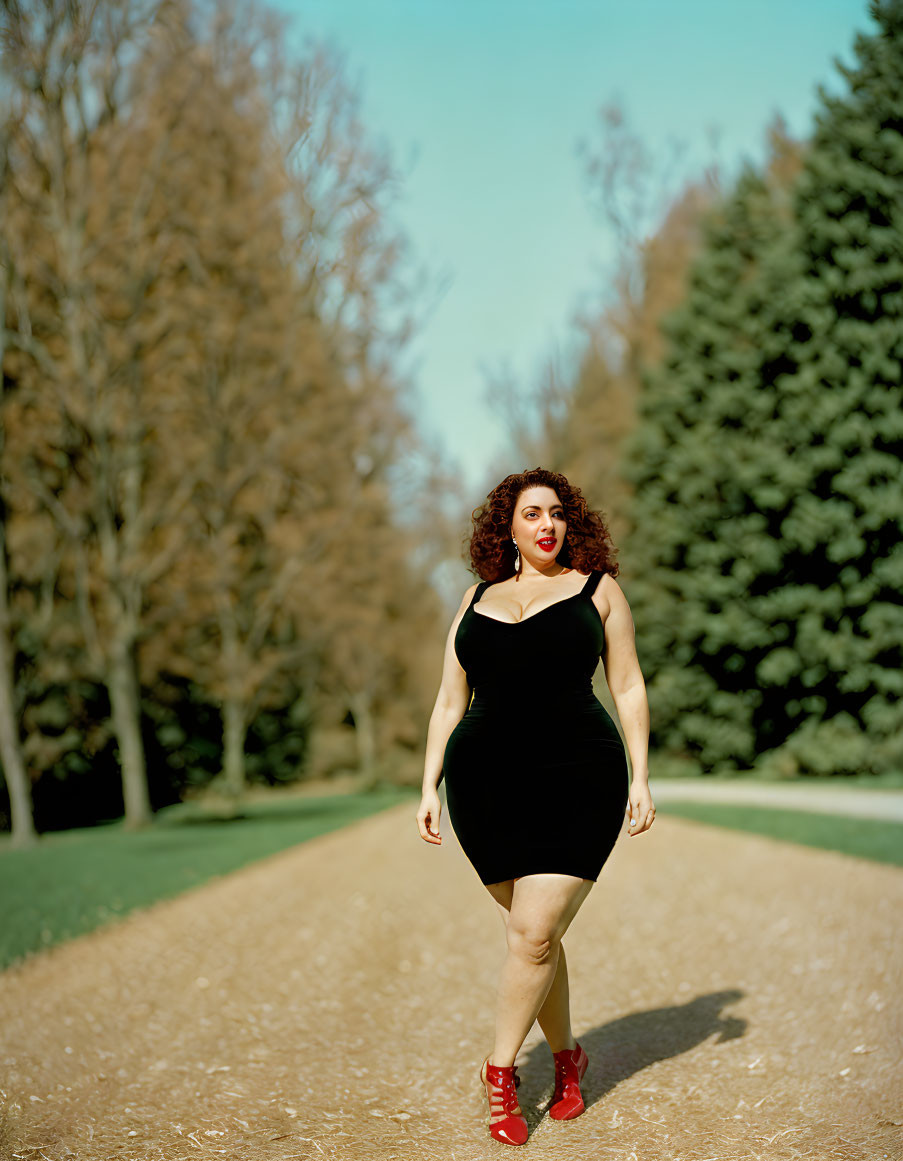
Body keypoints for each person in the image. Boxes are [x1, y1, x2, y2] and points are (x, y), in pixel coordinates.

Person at [415, 467, 654, 1147]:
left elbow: (629, 684)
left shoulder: (597, 592)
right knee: (535, 935)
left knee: (531, 933)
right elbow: (446, 700)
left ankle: (498, 1074)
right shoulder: (472, 599)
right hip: (484, 782)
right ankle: (569, 1056)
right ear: (507, 528)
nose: (546, 524)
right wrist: (427, 782)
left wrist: (640, 776)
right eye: (530, 514)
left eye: (556, 513)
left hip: (579, 771)